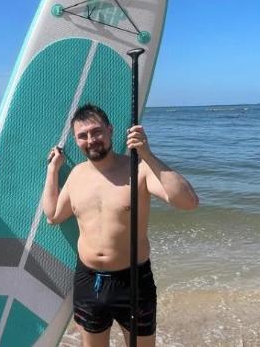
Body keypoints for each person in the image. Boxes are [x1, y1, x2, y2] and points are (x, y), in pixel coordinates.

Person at [41, 104, 198, 347]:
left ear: (110, 130)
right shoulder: (76, 176)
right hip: (88, 280)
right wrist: (53, 170)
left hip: (133, 281)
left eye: (96, 132)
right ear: (76, 140)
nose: (91, 140)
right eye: (83, 136)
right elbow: (53, 216)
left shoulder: (139, 170)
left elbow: (188, 202)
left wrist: (146, 153)